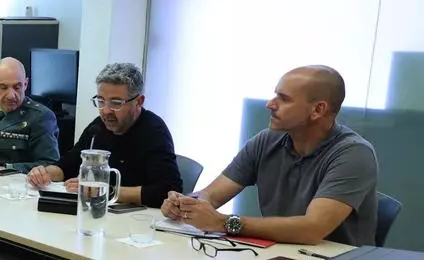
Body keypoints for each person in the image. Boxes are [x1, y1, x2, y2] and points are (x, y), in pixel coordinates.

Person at [162, 65, 378, 245]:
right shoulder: (267, 140)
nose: (270, 104)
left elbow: (312, 229)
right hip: (280, 256)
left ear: (318, 110)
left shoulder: (354, 154)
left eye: (284, 99)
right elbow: (213, 195)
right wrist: (186, 205)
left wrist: (224, 223)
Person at [27, 62, 181, 207]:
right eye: (101, 101)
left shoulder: (154, 132)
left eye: (116, 103)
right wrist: (45, 173)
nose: (106, 111)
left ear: (139, 102)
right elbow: (68, 165)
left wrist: (106, 191)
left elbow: (167, 190)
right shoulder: (98, 128)